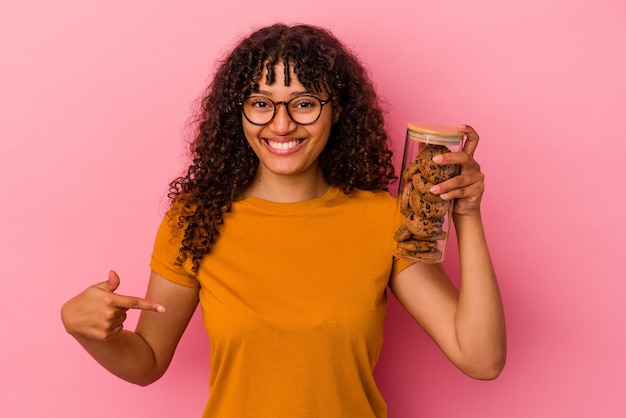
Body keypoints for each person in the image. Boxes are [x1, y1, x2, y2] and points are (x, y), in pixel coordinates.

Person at [61, 23, 506, 417]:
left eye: (304, 103)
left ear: (337, 110)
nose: (281, 124)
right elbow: (147, 361)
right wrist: (84, 329)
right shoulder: (195, 220)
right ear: (238, 113)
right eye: (261, 103)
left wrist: (466, 215)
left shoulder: (383, 219)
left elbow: (480, 358)